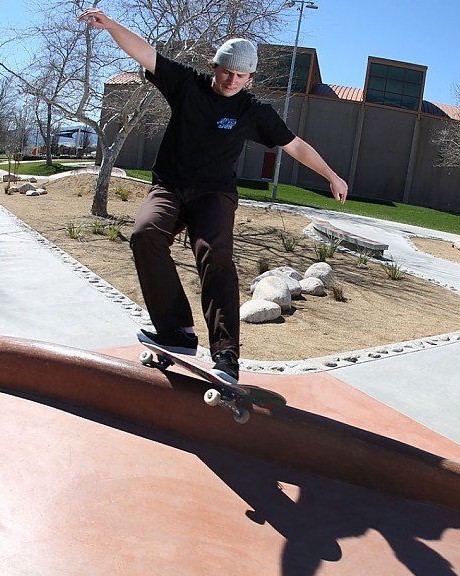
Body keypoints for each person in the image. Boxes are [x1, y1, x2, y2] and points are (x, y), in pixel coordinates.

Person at [78, 8, 348, 383]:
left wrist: (332, 175)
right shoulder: (187, 84)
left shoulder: (254, 111)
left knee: (215, 256)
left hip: (214, 194)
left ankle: (226, 355)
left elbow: (295, 145)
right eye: (226, 72)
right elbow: (145, 53)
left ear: (250, 77)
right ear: (215, 66)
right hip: (169, 186)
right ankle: (177, 331)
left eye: (241, 76)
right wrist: (111, 26)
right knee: (144, 236)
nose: (231, 81)